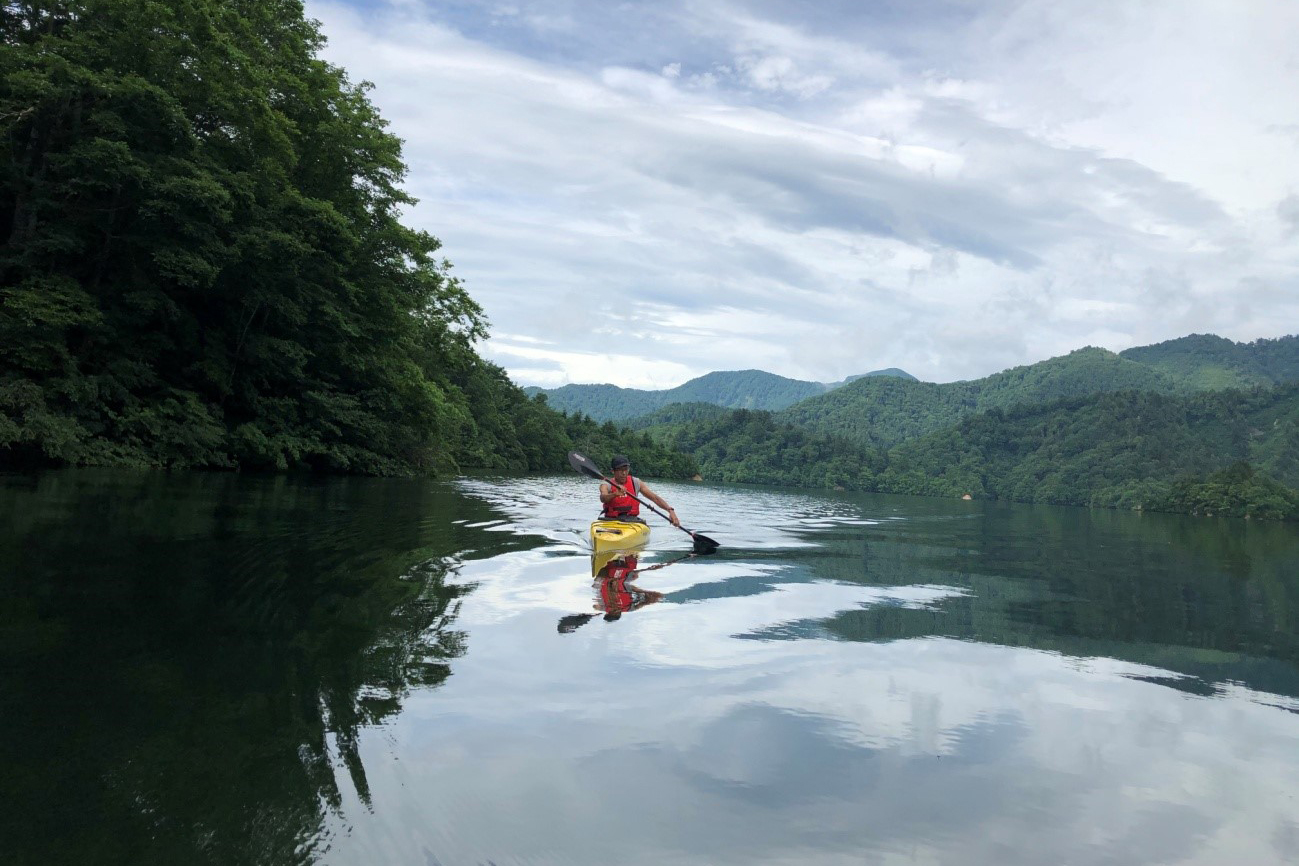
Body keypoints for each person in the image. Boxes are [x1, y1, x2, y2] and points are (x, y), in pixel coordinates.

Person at [599, 454, 681, 527]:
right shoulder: (606, 485)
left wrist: (670, 510)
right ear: (613, 471)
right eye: (620, 470)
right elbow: (603, 498)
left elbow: (654, 498)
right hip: (610, 521)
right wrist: (615, 494)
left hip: (632, 521)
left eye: (626, 469)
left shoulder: (636, 482)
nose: (624, 473)